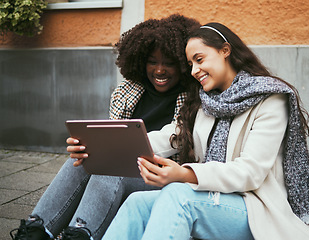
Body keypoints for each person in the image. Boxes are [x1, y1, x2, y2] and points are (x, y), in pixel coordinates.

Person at [101, 22, 309, 240]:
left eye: (199, 59)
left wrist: (185, 175)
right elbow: (169, 136)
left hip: (254, 208)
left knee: (178, 194)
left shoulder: (270, 99)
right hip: (211, 198)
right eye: (190, 64)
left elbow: (250, 173)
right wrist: (105, 144)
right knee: (136, 203)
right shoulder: (206, 102)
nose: (194, 71)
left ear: (225, 50)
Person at [10, 14, 201, 240]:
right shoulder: (127, 92)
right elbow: (110, 136)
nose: (159, 70)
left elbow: (177, 137)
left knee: (110, 170)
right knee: (80, 162)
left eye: (169, 63)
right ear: (141, 60)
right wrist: (87, 146)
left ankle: (81, 234)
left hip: (160, 177)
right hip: (123, 169)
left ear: (183, 64)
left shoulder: (193, 99)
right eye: (152, 61)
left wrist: (119, 151)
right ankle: (35, 230)